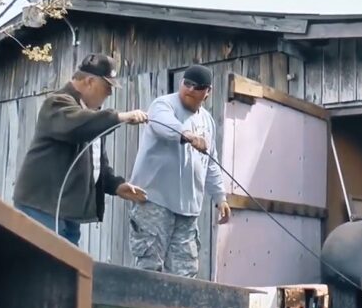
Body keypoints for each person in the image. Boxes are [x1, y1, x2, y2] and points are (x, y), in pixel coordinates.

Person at [13, 53, 149, 244]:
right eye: (107, 87)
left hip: (67, 211)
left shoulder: (92, 117)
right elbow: (75, 128)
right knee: (45, 266)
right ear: (90, 81)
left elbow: (96, 164)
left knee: (68, 270)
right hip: (42, 206)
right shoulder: (57, 103)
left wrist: (116, 185)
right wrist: (120, 117)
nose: (110, 93)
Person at [127, 64, 232, 278]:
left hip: (188, 210)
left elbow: (211, 163)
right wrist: (187, 134)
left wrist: (220, 197)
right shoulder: (163, 105)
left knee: (185, 272)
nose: (191, 90)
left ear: (208, 92)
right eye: (187, 83)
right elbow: (164, 126)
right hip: (154, 201)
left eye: (198, 87)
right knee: (149, 266)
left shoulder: (207, 121)